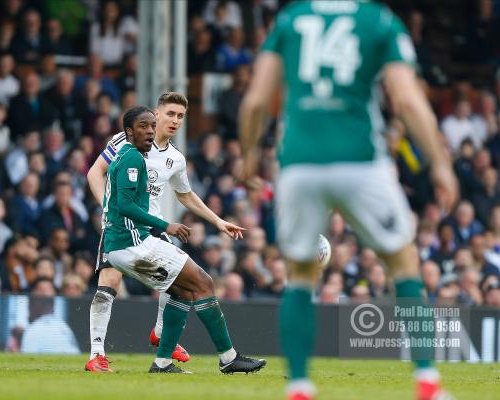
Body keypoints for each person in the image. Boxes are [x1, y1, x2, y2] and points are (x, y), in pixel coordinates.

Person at [239, 2, 459, 400]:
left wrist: (250, 151)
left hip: (299, 162)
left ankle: (300, 385)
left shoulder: (290, 19)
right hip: (361, 160)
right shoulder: (378, 20)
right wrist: (440, 162)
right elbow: (407, 101)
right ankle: (426, 380)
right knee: (404, 263)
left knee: (301, 274)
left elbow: (256, 100)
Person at [93, 106, 266, 374]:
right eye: (145, 125)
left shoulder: (170, 157)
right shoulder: (130, 156)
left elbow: (185, 195)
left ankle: (162, 361)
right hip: (131, 237)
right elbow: (120, 200)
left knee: (182, 289)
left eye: (180, 116)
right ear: (155, 115)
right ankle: (228, 357)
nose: (151, 130)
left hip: (137, 234)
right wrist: (166, 225)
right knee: (203, 282)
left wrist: (217, 221)